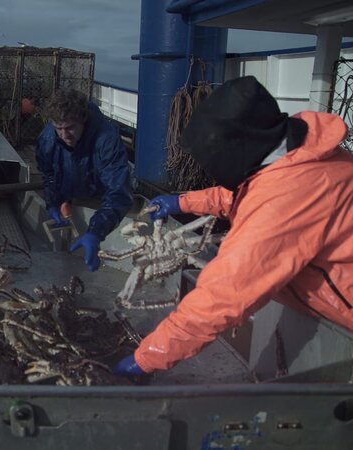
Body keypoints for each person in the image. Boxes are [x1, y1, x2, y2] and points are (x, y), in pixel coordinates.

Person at [113, 76, 353, 377]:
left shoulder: (286, 200)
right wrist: (183, 202)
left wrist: (146, 358)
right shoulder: (298, 154)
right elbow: (248, 193)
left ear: (234, 148)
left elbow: (224, 295)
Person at [36, 88, 133, 271]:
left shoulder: (107, 140)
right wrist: (53, 202)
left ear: (83, 119)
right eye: (59, 129)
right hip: (71, 193)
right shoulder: (47, 140)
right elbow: (49, 174)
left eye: (70, 128)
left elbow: (118, 190)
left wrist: (96, 231)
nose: (64, 135)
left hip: (101, 197)